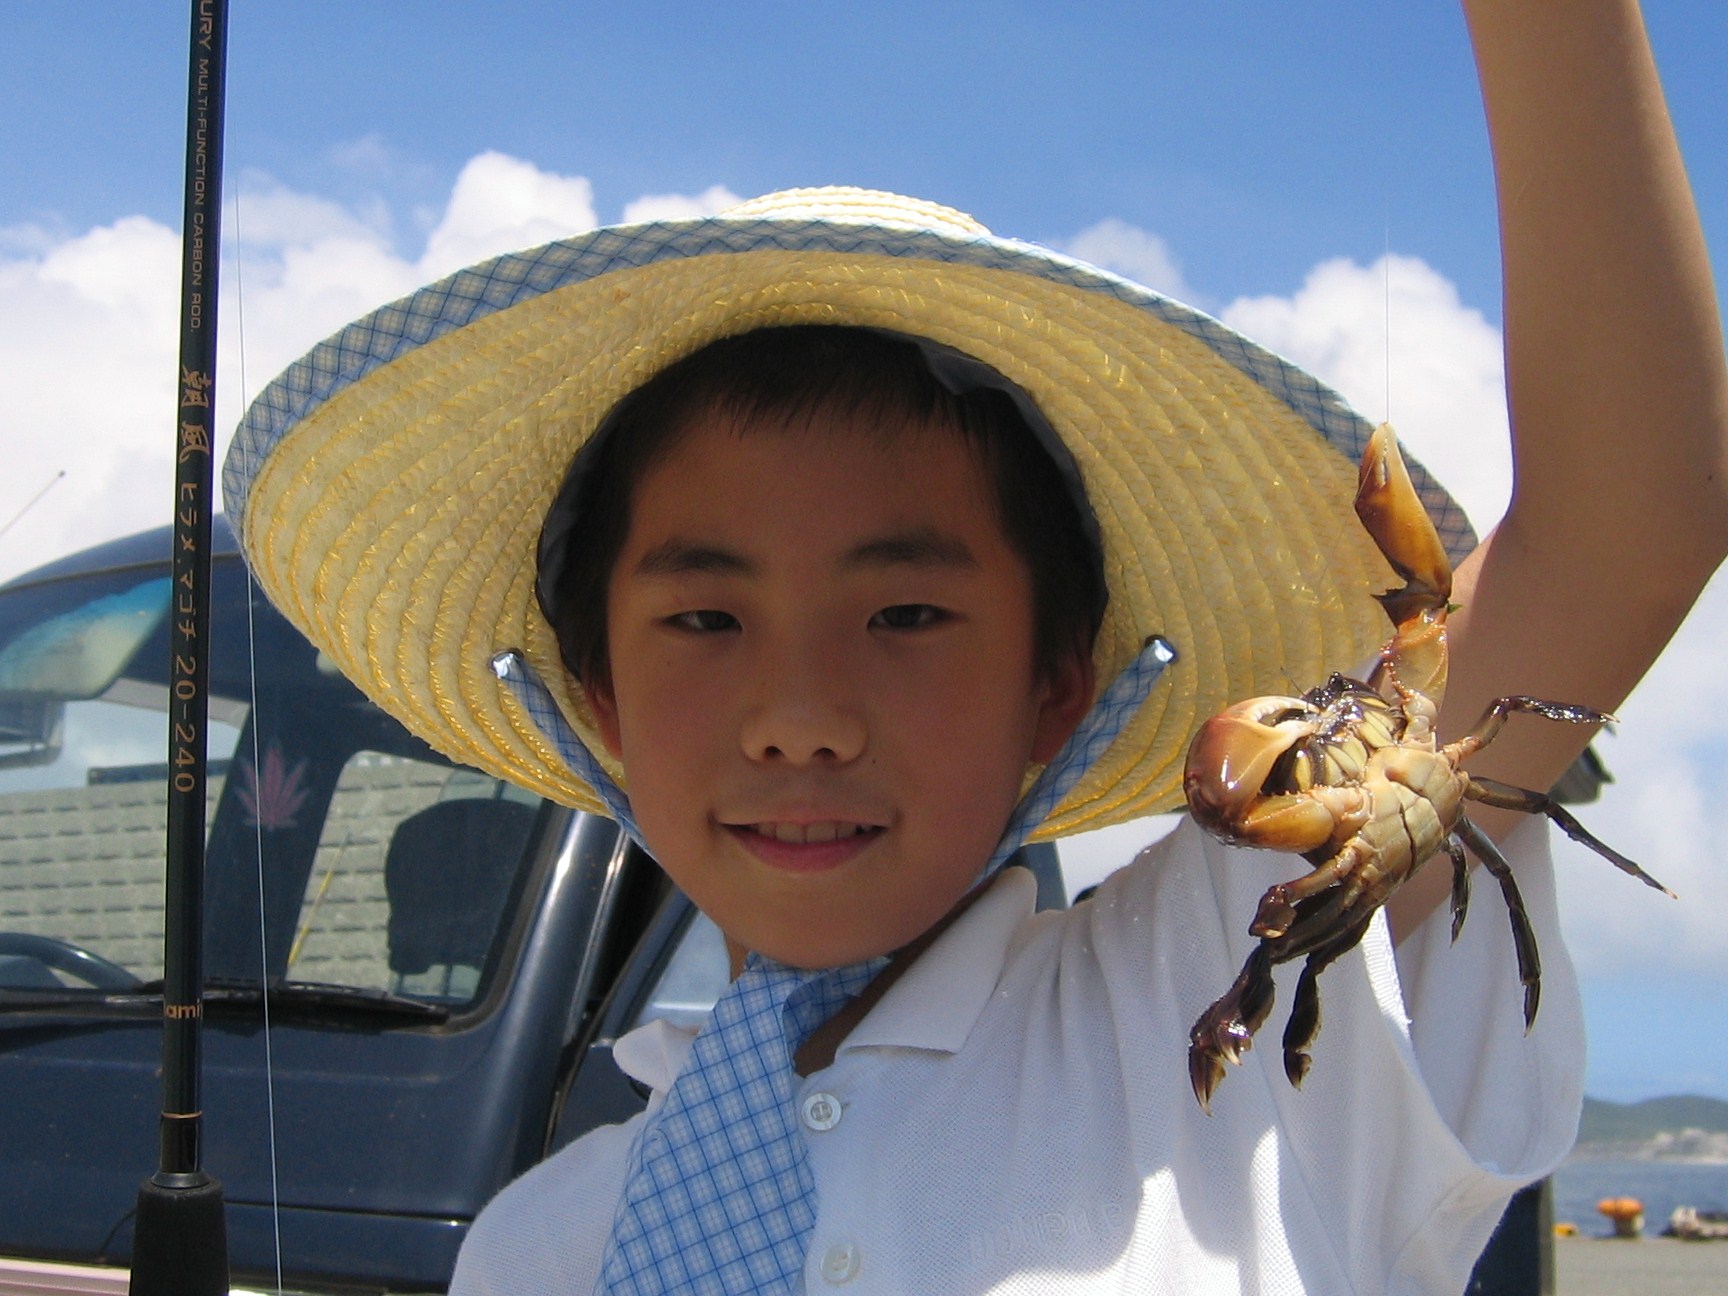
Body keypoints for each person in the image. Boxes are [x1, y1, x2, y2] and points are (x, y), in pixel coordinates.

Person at [222, 1, 1726, 1291]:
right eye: (705, 618)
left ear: (1059, 688)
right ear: (598, 698)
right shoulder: (532, 1247)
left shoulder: (1222, 978)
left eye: (906, 615)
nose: (801, 715)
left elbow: (1629, 522)